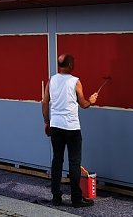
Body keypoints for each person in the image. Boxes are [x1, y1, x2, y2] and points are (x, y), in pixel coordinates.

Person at [41, 53, 98, 207]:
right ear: (71, 65)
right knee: (74, 163)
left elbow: (45, 103)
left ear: (60, 65)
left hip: (56, 126)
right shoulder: (75, 82)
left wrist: (47, 122)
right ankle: (76, 199)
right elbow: (84, 104)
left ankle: (56, 197)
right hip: (72, 128)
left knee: (57, 161)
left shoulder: (51, 81)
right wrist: (91, 101)